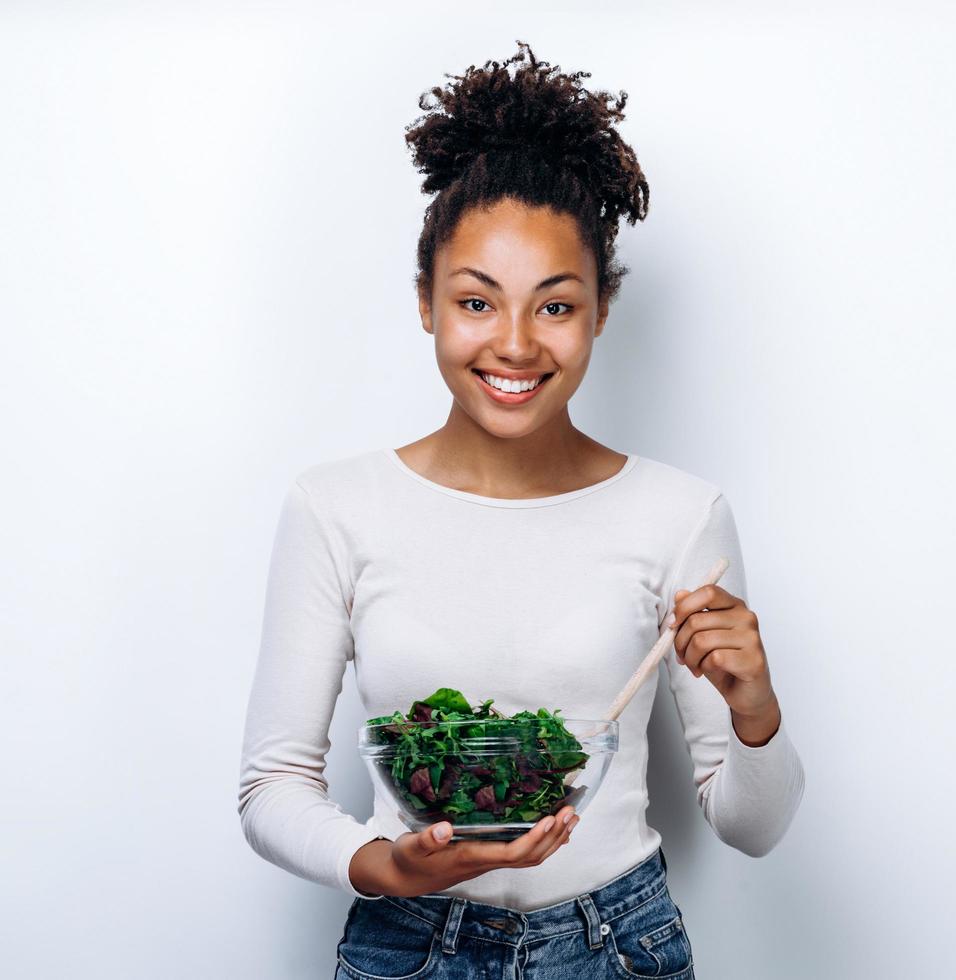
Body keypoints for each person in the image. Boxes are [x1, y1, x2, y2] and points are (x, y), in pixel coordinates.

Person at [236, 41, 805, 980]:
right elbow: (272, 787)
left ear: (600, 312)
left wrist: (756, 709)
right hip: (404, 944)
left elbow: (752, 827)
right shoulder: (335, 507)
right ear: (426, 302)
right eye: (474, 301)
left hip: (615, 948)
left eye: (554, 306)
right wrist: (383, 866)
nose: (512, 344)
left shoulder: (679, 514)